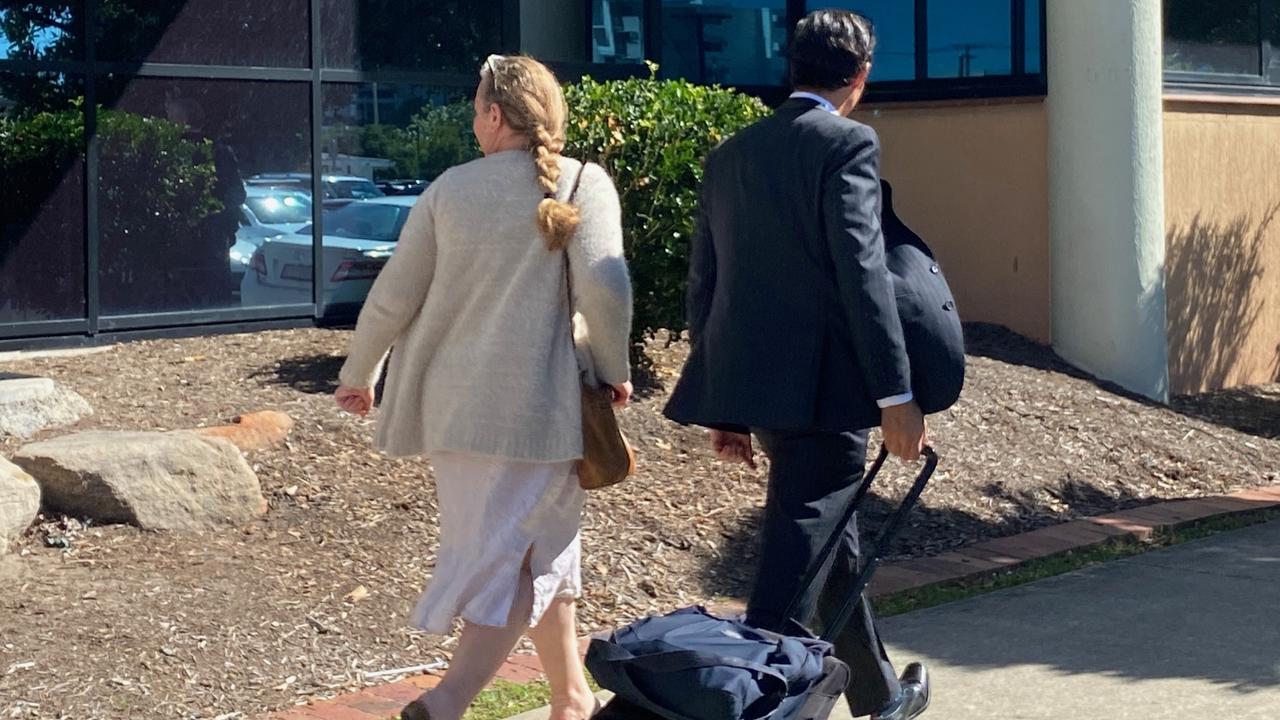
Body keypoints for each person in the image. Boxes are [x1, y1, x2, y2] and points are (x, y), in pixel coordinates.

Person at [333, 54, 633, 720]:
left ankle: (570, 699)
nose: (474, 121)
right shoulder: (585, 184)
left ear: (497, 116)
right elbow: (606, 290)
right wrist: (613, 370)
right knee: (521, 559)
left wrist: (361, 373)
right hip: (538, 413)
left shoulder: (448, 190)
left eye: (475, 110)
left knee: (536, 551)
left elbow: (392, 298)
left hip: (452, 414)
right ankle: (444, 704)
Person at [663, 10, 931, 720]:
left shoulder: (732, 155)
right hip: (829, 393)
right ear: (861, 76)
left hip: (763, 392)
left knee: (830, 540)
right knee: (798, 550)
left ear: (795, 68)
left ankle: (879, 698)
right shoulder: (848, 144)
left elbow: (706, 286)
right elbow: (862, 272)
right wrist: (895, 393)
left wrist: (725, 406)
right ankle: (749, 703)